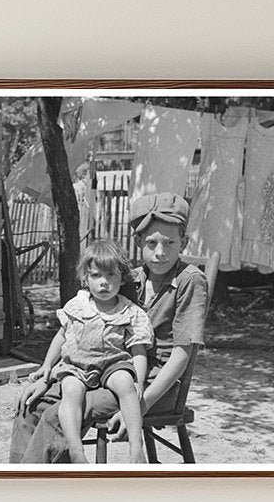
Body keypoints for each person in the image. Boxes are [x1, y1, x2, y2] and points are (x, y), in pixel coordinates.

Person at [11, 192, 209, 464]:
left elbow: (182, 356)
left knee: (55, 415)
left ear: (183, 242)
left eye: (170, 243)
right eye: (151, 243)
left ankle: (36, 489)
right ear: (139, 242)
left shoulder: (190, 281)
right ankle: (21, 481)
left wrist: (141, 405)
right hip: (107, 370)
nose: (160, 253)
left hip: (155, 386)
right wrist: (46, 377)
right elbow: (77, 330)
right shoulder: (131, 279)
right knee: (29, 405)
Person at [24, 239, 153, 464]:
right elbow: (61, 336)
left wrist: (139, 381)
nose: (104, 283)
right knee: (72, 392)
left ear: (122, 278)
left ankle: (136, 446)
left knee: (125, 383)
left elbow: (138, 349)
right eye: (96, 276)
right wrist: (47, 365)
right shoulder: (79, 304)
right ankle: (76, 450)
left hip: (112, 363)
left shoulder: (129, 311)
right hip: (77, 364)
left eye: (111, 275)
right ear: (85, 278)